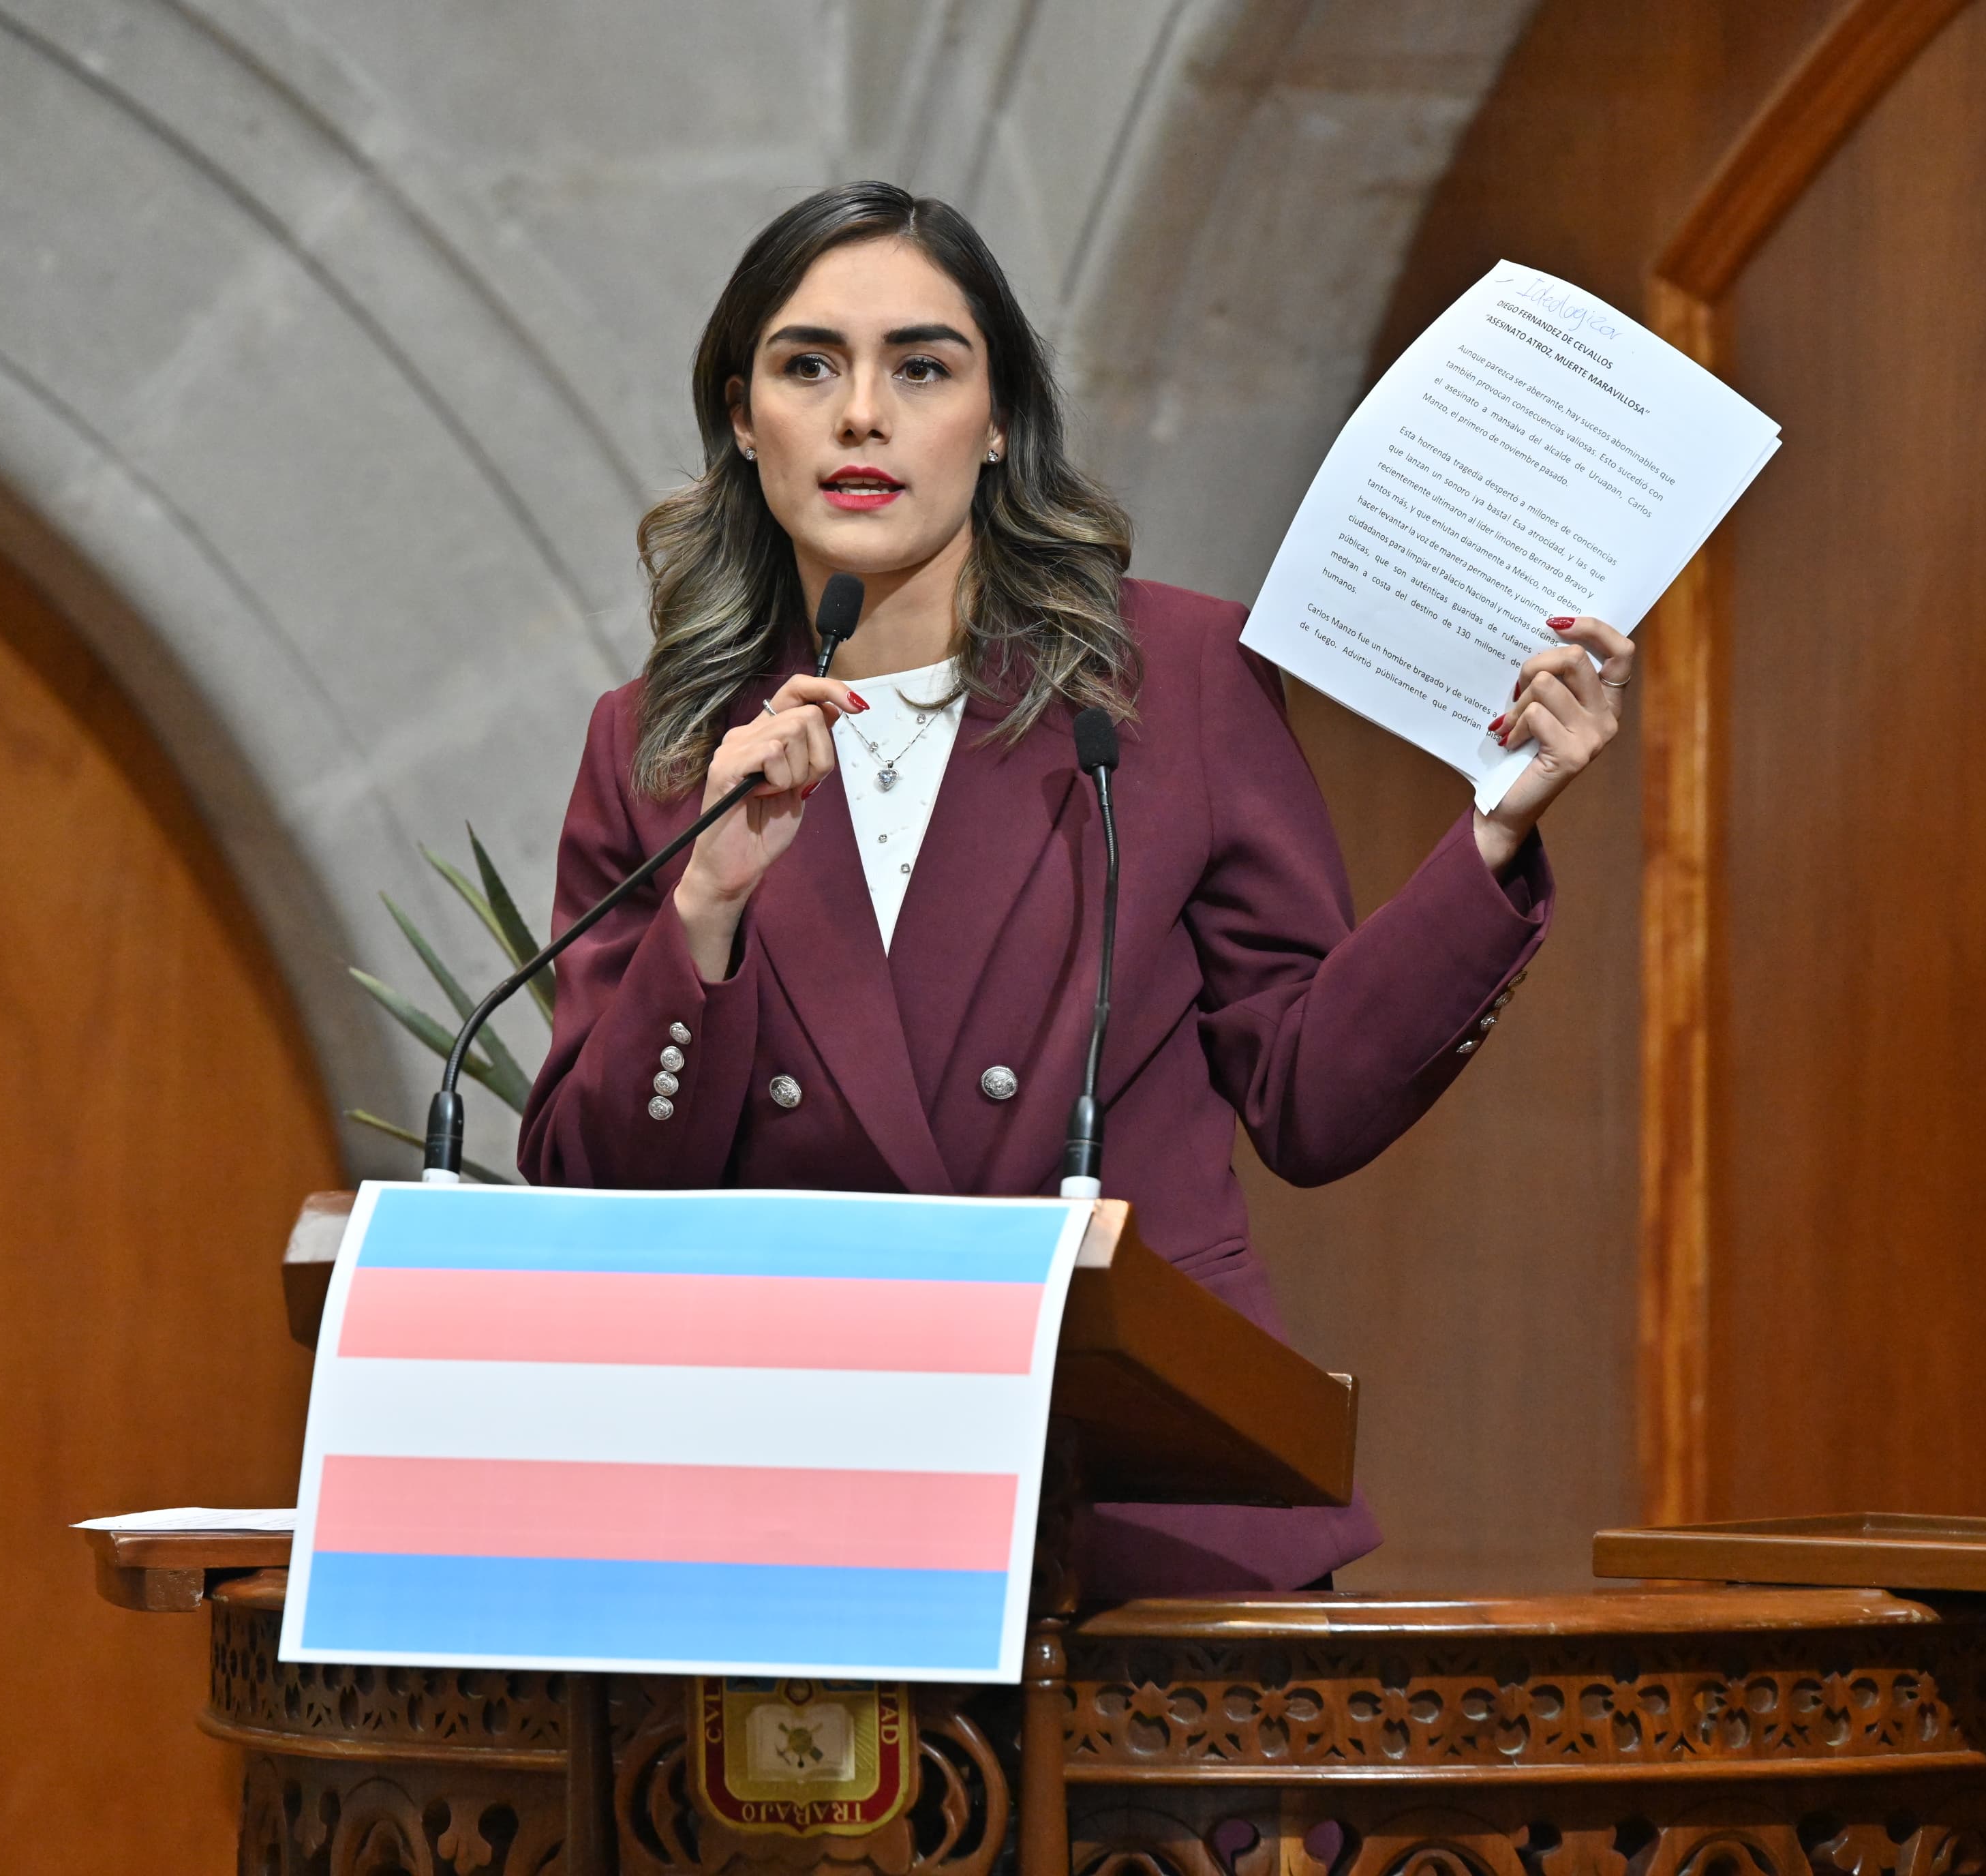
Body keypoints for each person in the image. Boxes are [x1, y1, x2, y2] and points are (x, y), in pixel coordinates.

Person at [518, 182, 1632, 1596]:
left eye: (922, 368)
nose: (861, 415)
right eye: (809, 367)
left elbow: (1309, 1097)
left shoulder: (1173, 679)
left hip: (1146, 1501)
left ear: (998, 423)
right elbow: (592, 1196)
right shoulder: (664, 743)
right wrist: (707, 916)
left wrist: (1496, 833)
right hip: (811, 1508)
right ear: (744, 419)